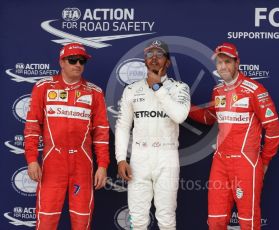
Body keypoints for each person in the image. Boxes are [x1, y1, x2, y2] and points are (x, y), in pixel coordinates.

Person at [189, 42, 279, 230]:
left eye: (227, 61)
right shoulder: (218, 91)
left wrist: (264, 160)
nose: (223, 66)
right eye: (219, 62)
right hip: (220, 162)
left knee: (248, 222)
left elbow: (273, 128)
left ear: (237, 62)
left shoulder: (255, 90)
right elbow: (210, 117)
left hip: (245, 162)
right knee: (215, 221)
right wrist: (185, 108)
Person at [24, 43, 110, 230]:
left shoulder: (94, 92)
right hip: (53, 162)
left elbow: (101, 133)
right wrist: (31, 159)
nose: (78, 64)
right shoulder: (44, 87)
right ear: (61, 62)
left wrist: (103, 165)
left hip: (82, 162)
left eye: (82, 61)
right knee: (45, 220)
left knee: (82, 221)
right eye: (73, 60)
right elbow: (32, 128)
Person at [115, 39, 191, 229]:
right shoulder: (131, 89)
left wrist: (158, 87)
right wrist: (121, 159)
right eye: (150, 54)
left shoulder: (179, 88)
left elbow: (180, 116)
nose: (154, 58)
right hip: (139, 157)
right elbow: (123, 126)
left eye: (159, 55)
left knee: (166, 217)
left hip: (167, 156)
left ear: (168, 62)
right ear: (145, 60)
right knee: (138, 218)